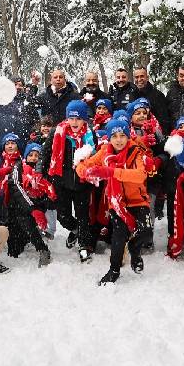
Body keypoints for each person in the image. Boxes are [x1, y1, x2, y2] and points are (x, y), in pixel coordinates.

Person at [76, 121, 153, 285]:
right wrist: (86, 171)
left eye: (122, 135)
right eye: (114, 136)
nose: (119, 140)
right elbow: (82, 166)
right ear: (109, 138)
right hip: (116, 202)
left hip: (138, 200)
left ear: (128, 136)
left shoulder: (136, 151)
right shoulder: (104, 151)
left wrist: (111, 172)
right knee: (118, 236)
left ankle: (135, 250)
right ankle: (114, 270)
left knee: (146, 232)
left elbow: (140, 175)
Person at [46, 100, 97, 260]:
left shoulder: (90, 135)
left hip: (83, 183)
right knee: (63, 216)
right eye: (71, 118)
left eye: (78, 118)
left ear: (84, 119)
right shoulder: (57, 132)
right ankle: (76, 230)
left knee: (83, 216)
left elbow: (96, 157)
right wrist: (41, 173)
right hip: (62, 182)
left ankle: (84, 246)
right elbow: (45, 153)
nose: (74, 122)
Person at [1, 142, 55, 266]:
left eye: (37, 155)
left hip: (37, 205)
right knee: (14, 250)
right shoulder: (19, 167)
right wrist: (32, 208)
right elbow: (16, 188)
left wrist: (40, 206)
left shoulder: (45, 170)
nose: (34, 158)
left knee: (25, 220)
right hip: (19, 205)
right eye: (31, 155)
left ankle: (42, 248)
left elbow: (49, 190)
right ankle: (27, 236)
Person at [0, 73, 36, 154]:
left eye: (20, 85)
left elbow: (35, 121)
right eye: (14, 84)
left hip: (21, 147)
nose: (17, 87)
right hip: (0, 146)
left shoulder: (27, 103)